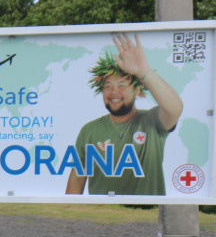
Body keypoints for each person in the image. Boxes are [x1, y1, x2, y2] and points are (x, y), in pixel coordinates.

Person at [65, 32, 184, 196]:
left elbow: (174, 108)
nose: (114, 92)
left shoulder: (152, 121)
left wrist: (144, 71)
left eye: (122, 86)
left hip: (149, 216)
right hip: (101, 217)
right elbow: (78, 177)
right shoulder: (89, 130)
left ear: (136, 90)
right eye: (108, 86)